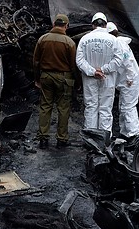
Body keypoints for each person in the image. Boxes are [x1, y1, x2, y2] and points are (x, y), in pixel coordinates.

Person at [33, 13, 77, 150]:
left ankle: (43, 139)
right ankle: (61, 139)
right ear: (66, 26)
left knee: (45, 106)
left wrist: (37, 78)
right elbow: (73, 65)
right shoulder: (70, 43)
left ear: (54, 24)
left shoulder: (42, 39)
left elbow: (36, 61)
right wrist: (76, 81)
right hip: (64, 78)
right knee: (63, 108)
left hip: (46, 76)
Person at [76, 12, 124, 132]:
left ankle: (90, 137)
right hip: (107, 79)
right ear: (105, 25)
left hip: (89, 79)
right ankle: (104, 138)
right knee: (105, 108)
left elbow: (79, 60)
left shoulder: (84, 39)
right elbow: (118, 60)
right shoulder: (114, 40)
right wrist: (103, 70)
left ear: (92, 25)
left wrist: (93, 72)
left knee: (91, 107)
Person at [107, 22, 139, 140]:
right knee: (123, 106)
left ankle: (134, 134)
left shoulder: (120, 45)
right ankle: (125, 133)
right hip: (126, 81)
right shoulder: (117, 43)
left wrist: (130, 77)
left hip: (130, 81)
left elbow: (128, 62)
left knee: (128, 107)